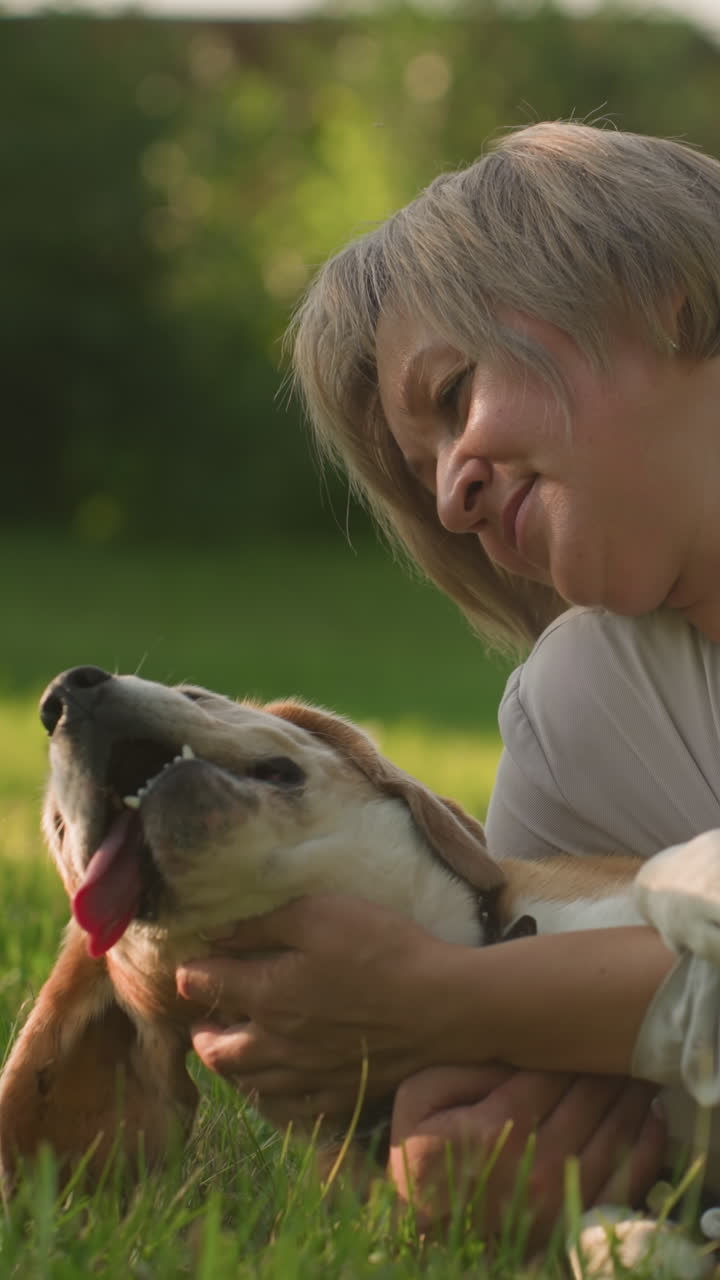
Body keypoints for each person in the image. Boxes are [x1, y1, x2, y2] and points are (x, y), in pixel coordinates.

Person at [175, 121, 720, 1242]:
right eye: (425, 481)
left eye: (456, 391)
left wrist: (438, 999)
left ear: (658, 288)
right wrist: (463, 1139)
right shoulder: (591, 710)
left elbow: (466, 992)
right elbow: (522, 1054)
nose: (454, 499)